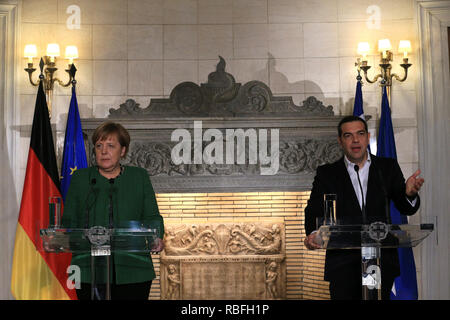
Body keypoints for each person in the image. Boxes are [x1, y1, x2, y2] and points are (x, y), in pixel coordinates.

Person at [303, 115, 424, 300]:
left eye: (360, 134)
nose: (355, 140)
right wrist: (314, 233)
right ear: (340, 140)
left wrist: (409, 194)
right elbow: (313, 209)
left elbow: (405, 207)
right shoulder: (327, 173)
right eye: (348, 135)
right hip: (343, 265)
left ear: (367, 137)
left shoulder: (387, 167)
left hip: (379, 260)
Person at [62, 121, 165, 300]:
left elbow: (151, 216)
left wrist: (157, 237)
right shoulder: (81, 178)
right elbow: (69, 219)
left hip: (133, 268)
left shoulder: (138, 177)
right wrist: (67, 236)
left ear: (123, 150)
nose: (104, 151)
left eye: (111, 146)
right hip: (88, 269)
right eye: (99, 146)